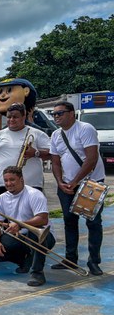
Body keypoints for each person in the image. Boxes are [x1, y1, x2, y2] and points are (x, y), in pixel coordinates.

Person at [49, 101, 105, 275]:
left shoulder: (85, 129)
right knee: (69, 222)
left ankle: (94, 262)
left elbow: (91, 159)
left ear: (72, 113)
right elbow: (55, 162)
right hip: (66, 185)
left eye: (60, 113)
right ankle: (70, 259)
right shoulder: (56, 135)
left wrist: (75, 181)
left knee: (93, 223)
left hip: (90, 184)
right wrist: (60, 182)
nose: (56, 116)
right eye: (54, 114)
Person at [0, 166, 56, 287]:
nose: (8, 183)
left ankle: (37, 273)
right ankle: (24, 261)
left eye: (12, 180)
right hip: (19, 236)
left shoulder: (34, 194)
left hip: (42, 235)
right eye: (6, 180)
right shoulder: (2, 198)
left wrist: (20, 224)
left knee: (34, 235)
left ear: (21, 179)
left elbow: (43, 219)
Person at [0, 103, 50, 195]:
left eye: (15, 117)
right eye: (9, 117)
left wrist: (35, 153)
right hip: (4, 184)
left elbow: (52, 154)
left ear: (24, 116)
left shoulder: (37, 134)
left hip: (31, 184)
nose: (11, 120)